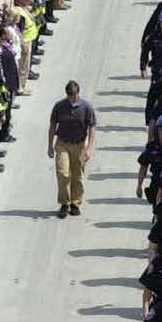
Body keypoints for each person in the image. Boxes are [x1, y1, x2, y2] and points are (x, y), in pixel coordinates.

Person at [47, 79, 96, 218]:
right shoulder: (59, 106)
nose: (72, 98)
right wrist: (50, 146)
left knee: (78, 176)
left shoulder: (86, 107)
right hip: (63, 144)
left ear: (78, 93)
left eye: (74, 95)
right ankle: (64, 203)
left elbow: (92, 128)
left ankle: (75, 203)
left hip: (79, 145)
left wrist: (88, 148)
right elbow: (52, 126)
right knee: (63, 173)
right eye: (69, 95)